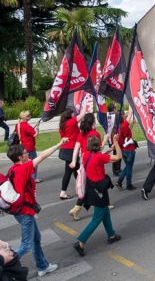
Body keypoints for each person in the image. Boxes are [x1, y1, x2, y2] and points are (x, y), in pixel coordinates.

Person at [6, 137, 69, 277]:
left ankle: (43, 266)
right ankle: (4, 265)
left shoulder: (13, 169)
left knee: (36, 238)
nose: (28, 153)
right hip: (24, 212)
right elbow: (43, 156)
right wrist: (59, 143)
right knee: (26, 245)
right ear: (19, 157)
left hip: (23, 210)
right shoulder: (23, 168)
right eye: (25, 152)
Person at [73, 135, 122, 257]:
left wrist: (108, 151)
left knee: (105, 212)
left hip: (92, 188)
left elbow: (97, 158)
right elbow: (118, 157)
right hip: (99, 190)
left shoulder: (86, 155)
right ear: (97, 146)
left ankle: (111, 234)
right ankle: (80, 241)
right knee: (97, 217)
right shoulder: (99, 157)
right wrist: (116, 143)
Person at [69, 113, 109, 220]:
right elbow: (99, 148)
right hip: (94, 160)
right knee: (99, 181)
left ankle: (78, 208)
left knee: (88, 184)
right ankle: (78, 208)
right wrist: (105, 139)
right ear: (92, 122)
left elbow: (76, 148)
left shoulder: (81, 134)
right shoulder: (95, 134)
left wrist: (73, 161)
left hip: (84, 161)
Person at [58, 104, 87, 200]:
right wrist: (85, 104)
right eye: (73, 113)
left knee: (75, 171)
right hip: (71, 149)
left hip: (65, 149)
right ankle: (64, 192)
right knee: (71, 171)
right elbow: (82, 114)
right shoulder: (70, 122)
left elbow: (63, 136)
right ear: (70, 115)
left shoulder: (62, 124)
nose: (74, 114)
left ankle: (81, 188)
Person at [15, 111, 41, 182]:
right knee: (34, 162)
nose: (30, 116)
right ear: (26, 117)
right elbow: (36, 135)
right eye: (29, 115)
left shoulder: (18, 125)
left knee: (25, 163)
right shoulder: (26, 126)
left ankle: (26, 177)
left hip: (22, 147)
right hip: (29, 147)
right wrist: (37, 127)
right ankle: (33, 178)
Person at [115, 109, 137, 191]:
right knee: (129, 167)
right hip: (129, 149)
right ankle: (128, 184)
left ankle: (120, 181)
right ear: (121, 116)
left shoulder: (118, 127)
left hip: (123, 150)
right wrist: (131, 106)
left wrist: (132, 124)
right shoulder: (124, 124)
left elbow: (127, 131)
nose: (126, 115)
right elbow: (130, 113)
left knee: (128, 166)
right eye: (124, 114)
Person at [107, 103, 121, 177]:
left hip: (111, 135)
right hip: (114, 134)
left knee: (116, 152)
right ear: (113, 108)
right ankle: (116, 169)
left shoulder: (108, 115)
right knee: (116, 153)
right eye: (115, 107)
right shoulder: (115, 115)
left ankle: (117, 168)